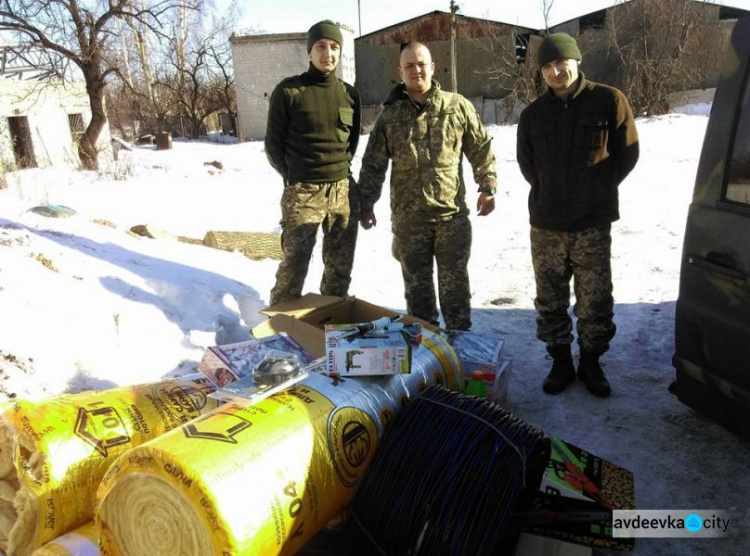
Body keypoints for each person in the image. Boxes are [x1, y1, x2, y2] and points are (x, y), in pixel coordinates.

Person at [516, 33, 639, 397]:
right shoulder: (532, 115)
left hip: (592, 223)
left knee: (595, 299)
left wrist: (599, 187)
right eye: (548, 66)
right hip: (547, 224)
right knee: (550, 299)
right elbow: (527, 164)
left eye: (562, 63)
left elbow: (627, 154)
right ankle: (560, 361)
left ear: (577, 60)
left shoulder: (609, 100)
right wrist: (549, 190)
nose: (556, 72)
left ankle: (590, 362)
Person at [357, 42, 498, 331]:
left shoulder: (457, 107)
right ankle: (429, 355)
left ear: (433, 68)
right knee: (418, 297)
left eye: (421, 64)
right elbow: (373, 165)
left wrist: (488, 186)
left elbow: (480, 147)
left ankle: (459, 351)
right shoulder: (390, 117)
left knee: (455, 292)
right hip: (410, 223)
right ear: (400, 72)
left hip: (451, 219)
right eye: (409, 65)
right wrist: (366, 203)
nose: (416, 70)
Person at [265, 20, 361, 306]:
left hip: (343, 192)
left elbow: (350, 143)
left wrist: (338, 173)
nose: (327, 53)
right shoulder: (290, 92)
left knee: (339, 269)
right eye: (321, 46)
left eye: (334, 47)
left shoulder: (349, 94)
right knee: (294, 266)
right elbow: (273, 146)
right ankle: (279, 324)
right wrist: (296, 176)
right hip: (304, 192)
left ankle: (330, 321)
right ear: (310, 51)